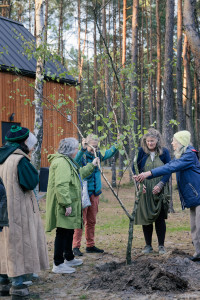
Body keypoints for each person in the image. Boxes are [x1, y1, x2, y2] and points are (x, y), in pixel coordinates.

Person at [135, 130, 200, 261]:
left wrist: (149, 173)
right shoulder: (182, 154)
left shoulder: (189, 155)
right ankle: (198, 253)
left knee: (199, 226)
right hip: (194, 196)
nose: (172, 143)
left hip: (197, 194)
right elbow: (170, 165)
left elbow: (170, 167)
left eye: (174, 141)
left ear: (181, 142)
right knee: (194, 226)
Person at [0, 125, 49, 300]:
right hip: (17, 210)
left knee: (5, 244)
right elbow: (30, 182)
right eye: (32, 145)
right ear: (24, 143)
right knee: (17, 246)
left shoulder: (2, 157)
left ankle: (3, 283)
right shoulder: (19, 160)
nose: (33, 148)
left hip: (4, 209)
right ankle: (18, 287)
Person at [45, 137, 99, 274]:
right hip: (64, 204)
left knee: (69, 230)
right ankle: (58, 263)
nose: (77, 150)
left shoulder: (68, 161)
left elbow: (78, 174)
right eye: (76, 148)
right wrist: (66, 204)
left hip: (70, 203)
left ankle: (68, 257)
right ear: (70, 150)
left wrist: (92, 165)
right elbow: (61, 185)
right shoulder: (62, 163)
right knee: (62, 232)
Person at [73, 134, 118, 256]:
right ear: (86, 144)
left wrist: (117, 144)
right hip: (83, 194)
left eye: (96, 146)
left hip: (94, 193)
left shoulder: (98, 155)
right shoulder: (81, 155)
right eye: (92, 146)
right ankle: (75, 246)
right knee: (80, 221)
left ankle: (90, 245)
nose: (94, 149)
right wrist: (82, 149)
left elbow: (108, 153)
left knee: (91, 220)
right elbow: (74, 163)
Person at [132, 128, 171, 255]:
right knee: (146, 218)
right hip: (145, 190)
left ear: (157, 140)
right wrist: (139, 184)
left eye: (152, 141)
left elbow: (169, 169)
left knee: (160, 218)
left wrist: (161, 184)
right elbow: (135, 169)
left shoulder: (164, 152)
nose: (150, 144)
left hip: (160, 189)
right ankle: (148, 245)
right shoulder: (141, 152)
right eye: (148, 141)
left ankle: (161, 246)